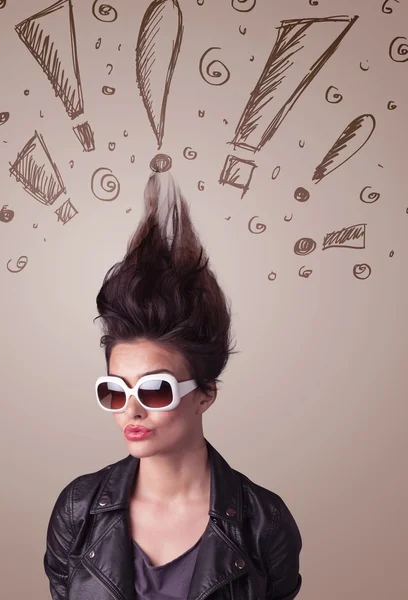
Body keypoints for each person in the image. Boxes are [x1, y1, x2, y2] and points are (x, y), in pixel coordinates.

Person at [44, 159, 303, 599]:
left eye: (155, 389)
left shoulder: (264, 522)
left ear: (205, 394)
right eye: (114, 390)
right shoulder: (77, 509)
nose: (132, 408)